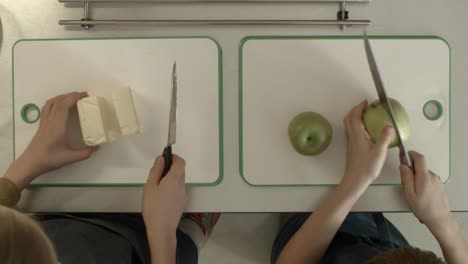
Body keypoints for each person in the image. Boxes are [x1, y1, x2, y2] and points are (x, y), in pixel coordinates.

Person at [0, 92, 219, 264]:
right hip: (144, 254)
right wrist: (162, 232)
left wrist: (24, 167)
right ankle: (192, 233)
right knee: (184, 247)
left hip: (73, 223)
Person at [271, 100, 468, 264]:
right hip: (375, 234)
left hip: (311, 247)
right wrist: (442, 221)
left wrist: (353, 182)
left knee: (300, 207)